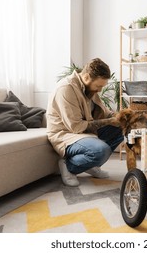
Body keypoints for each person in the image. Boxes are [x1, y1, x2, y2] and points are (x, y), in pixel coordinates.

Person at [47, 58, 124, 187]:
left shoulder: (90, 89)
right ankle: (68, 166)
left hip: (84, 132)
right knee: (101, 150)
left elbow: (105, 112)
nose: (100, 90)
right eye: (99, 86)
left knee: (123, 127)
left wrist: (120, 117)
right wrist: (109, 121)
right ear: (87, 77)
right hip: (66, 134)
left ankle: (91, 165)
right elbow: (76, 127)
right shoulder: (66, 89)